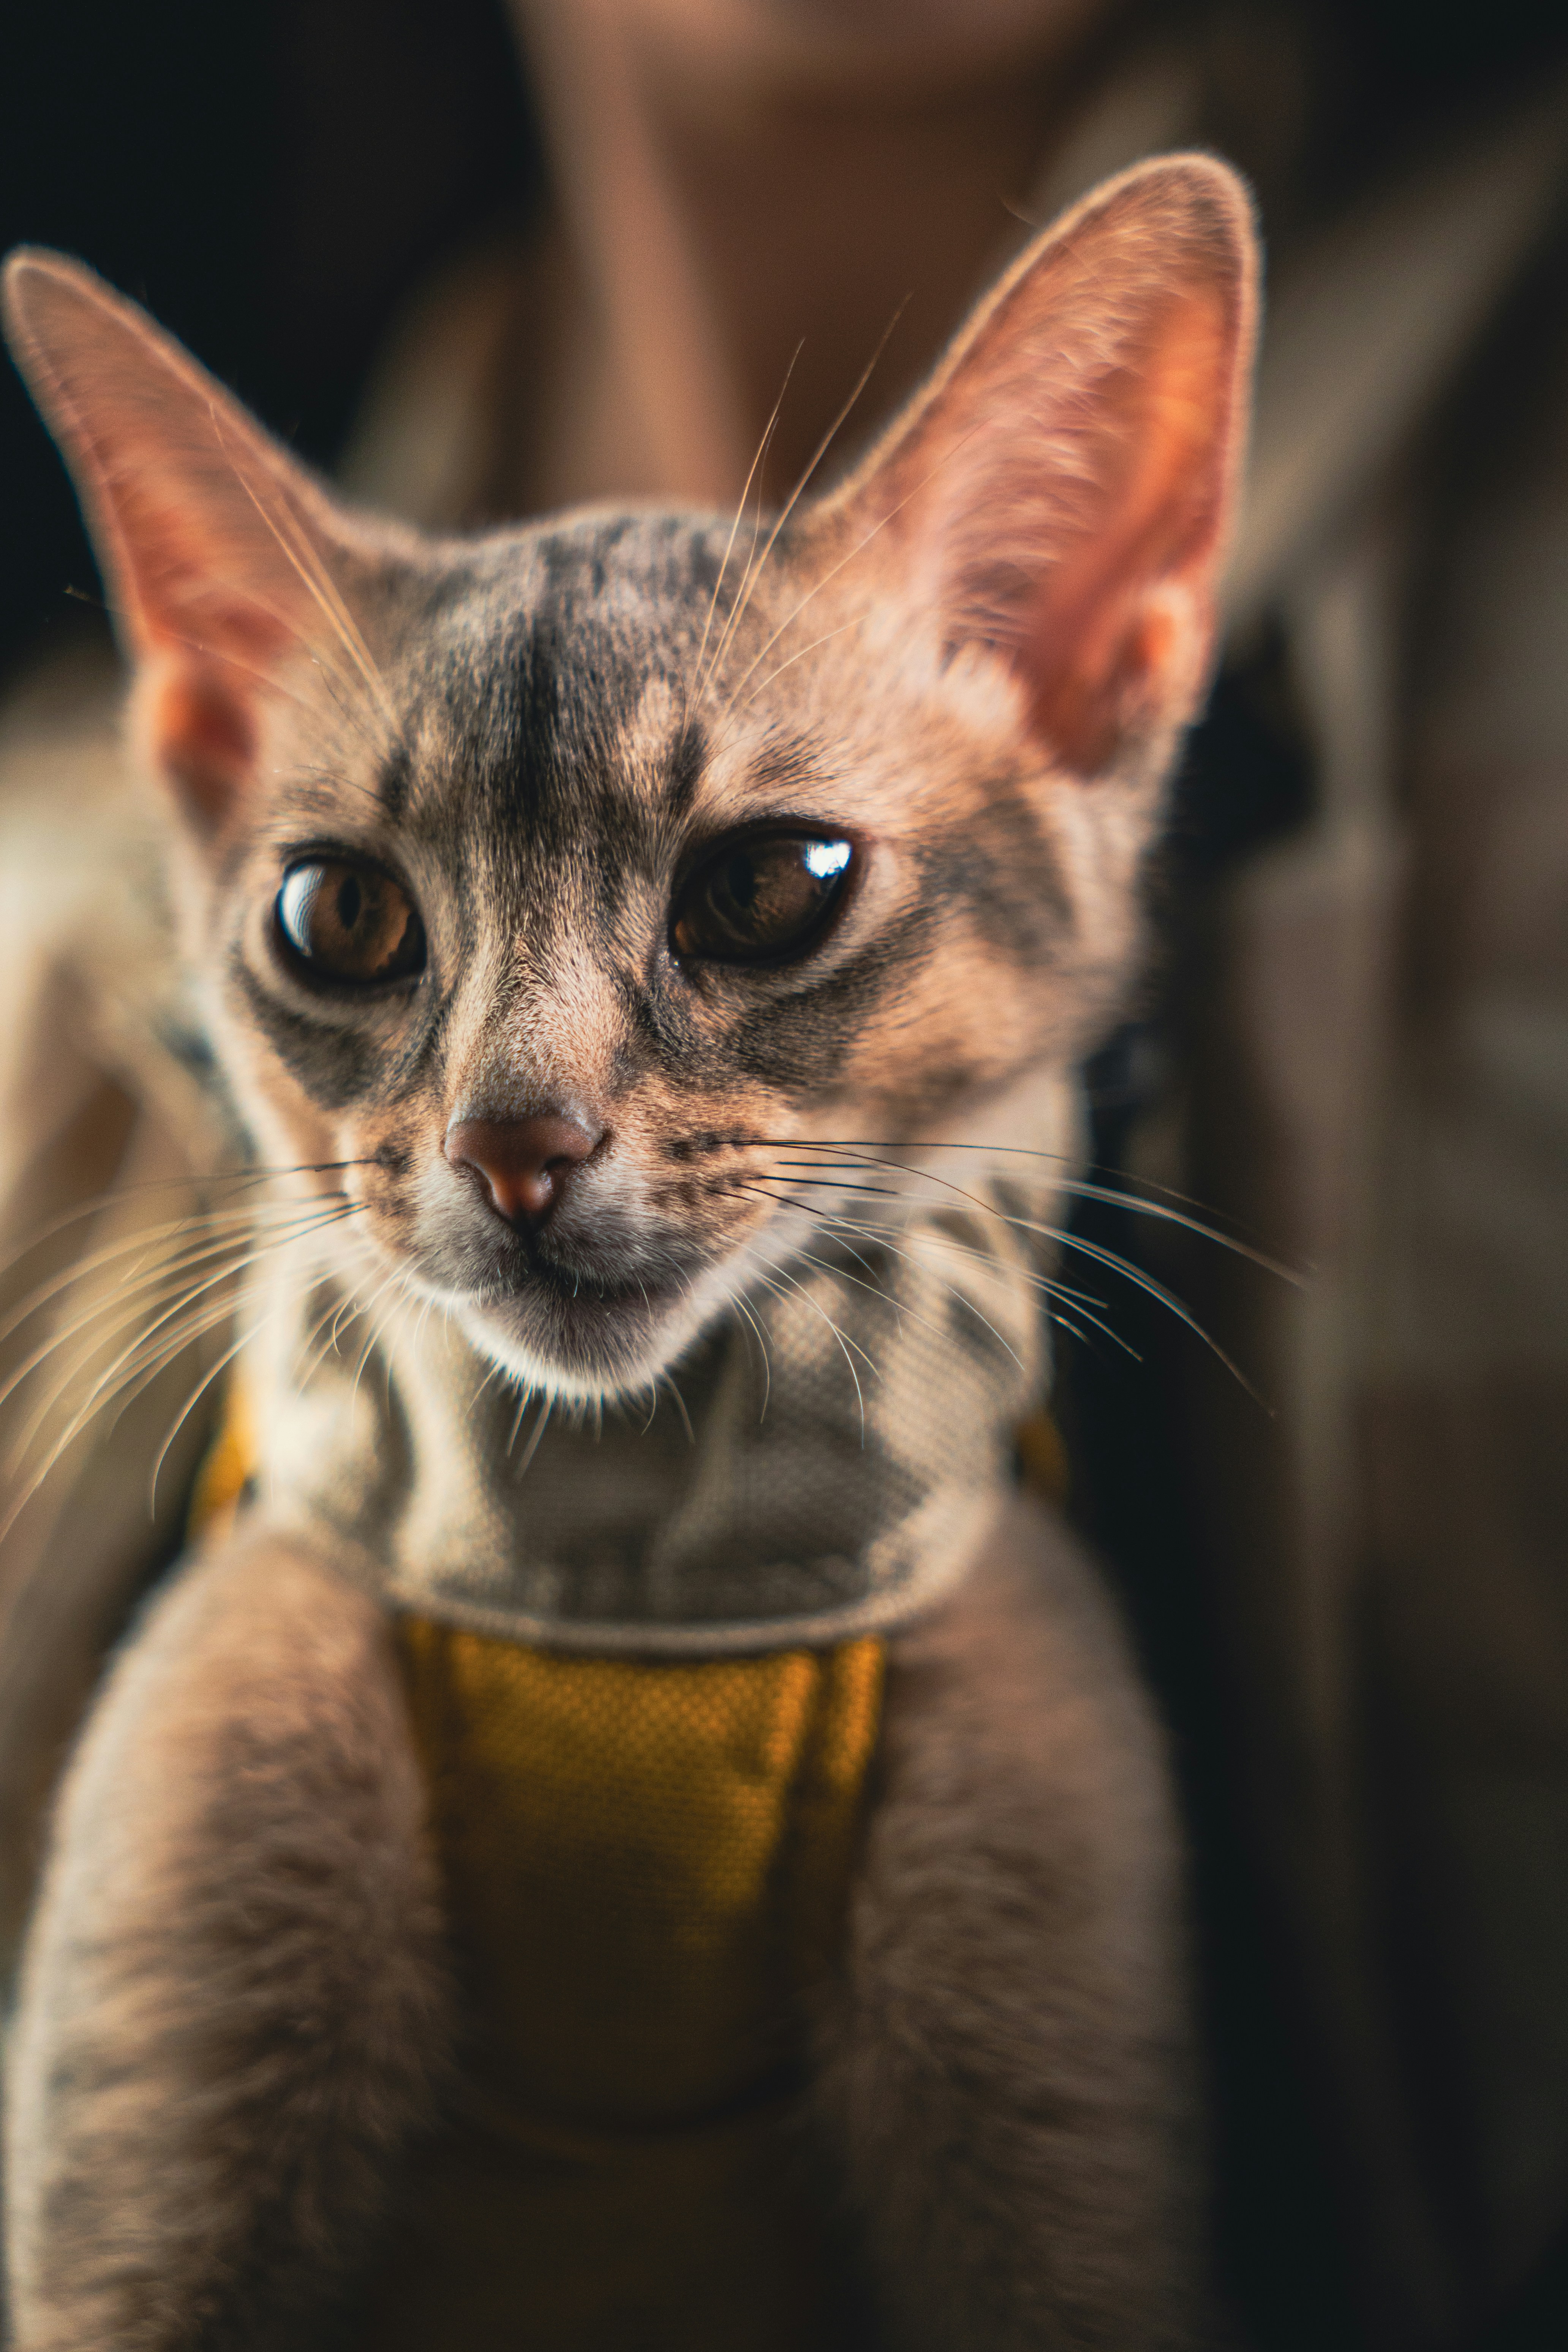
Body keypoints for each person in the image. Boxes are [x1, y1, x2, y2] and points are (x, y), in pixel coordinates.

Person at [2, 3, 1565, 2342]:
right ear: (207, 731)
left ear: (1085, 625)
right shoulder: (44, 901)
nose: (524, 1133)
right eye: (351, 927)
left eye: (766, 893)